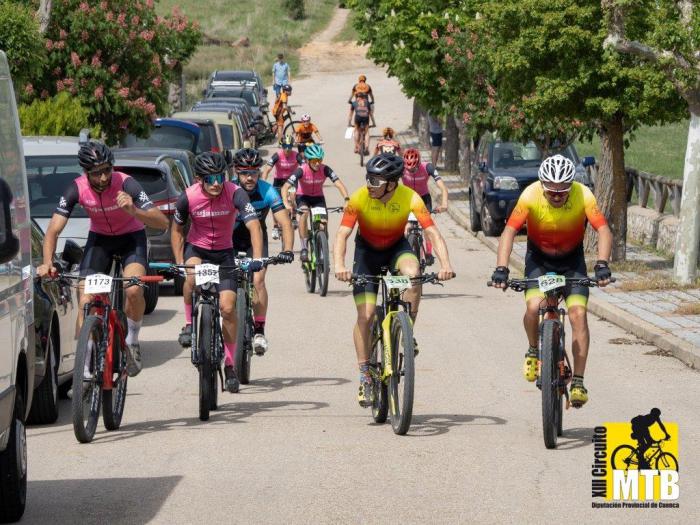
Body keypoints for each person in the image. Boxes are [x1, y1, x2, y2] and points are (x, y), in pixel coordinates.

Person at [37, 140, 169, 377]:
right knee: (85, 296)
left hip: (131, 238)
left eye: (107, 169)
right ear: (85, 172)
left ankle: (132, 340)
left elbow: (162, 222)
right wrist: (48, 263)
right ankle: (84, 367)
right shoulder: (76, 189)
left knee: (133, 289)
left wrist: (134, 211)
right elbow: (53, 231)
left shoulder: (126, 183)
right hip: (100, 240)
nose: (103, 177)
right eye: (96, 173)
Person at [491, 154, 613, 407]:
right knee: (534, 307)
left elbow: (602, 228)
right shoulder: (530, 195)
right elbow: (510, 231)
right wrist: (501, 267)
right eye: (552, 192)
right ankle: (533, 349)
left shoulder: (583, 195)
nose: (557, 196)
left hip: (572, 263)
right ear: (543, 186)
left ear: (571, 185)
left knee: (578, 313)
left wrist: (602, 264)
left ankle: (578, 381)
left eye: (562, 191)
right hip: (539, 262)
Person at [333, 153, 455, 407]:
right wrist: (339, 265)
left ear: (391, 183)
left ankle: (406, 328)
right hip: (366, 254)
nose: (369, 185)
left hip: (396, 249)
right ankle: (365, 374)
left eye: (376, 181)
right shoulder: (359, 198)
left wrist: (446, 264)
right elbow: (343, 234)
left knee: (414, 276)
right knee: (365, 316)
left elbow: (432, 231)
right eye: (369, 179)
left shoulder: (410, 197)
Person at [173, 151, 263, 393]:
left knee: (228, 307)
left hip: (225, 252)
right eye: (209, 179)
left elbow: (254, 224)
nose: (215, 184)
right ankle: (189, 323)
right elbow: (178, 230)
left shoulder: (235, 193)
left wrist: (257, 259)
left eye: (219, 178)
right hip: (197, 249)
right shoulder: (188, 197)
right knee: (192, 277)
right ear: (199, 179)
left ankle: (231, 364)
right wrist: (180, 261)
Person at [232, 148, 295, 355]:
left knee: (258, 280)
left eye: (253, 172)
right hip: (229, 240)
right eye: (244, 172)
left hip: (256, 240)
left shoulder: (268, 190)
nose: (249, 177)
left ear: (259, 172)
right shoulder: (228, 189)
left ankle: (259, 330)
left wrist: (287, 249)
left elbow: (285, 222)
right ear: (235, 172)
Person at [281, 144, 349, 263]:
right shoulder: (301, 170)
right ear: (308, 160)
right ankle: (304, 247)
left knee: (322, 224)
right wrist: (286, 203)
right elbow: (285, 187)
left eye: (320, 160)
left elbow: (339, 183)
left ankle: (322, 247)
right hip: (303, 197)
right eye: (314, 160)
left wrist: (347, 199)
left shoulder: (325, 169)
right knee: (304, 213)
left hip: (318, 198)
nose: (318, 163)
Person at [402, 148, 448, 265]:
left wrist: (444, 204)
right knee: (405, 226)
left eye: (414, 168)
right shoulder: (401, 168)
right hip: (407, 199)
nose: (411, 171)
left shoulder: (427, 167)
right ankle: (404, 250)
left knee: (427, 227)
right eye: (409, 169)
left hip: (423, 199)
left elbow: (443, 188)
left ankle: (428, 252)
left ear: (418, 163)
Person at [261, 134, 304, 240]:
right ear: (282, 146)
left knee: (293, 195)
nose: (288, 149)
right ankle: (275, 227)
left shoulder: (296, 155)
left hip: (291, 181)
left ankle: (293, 217)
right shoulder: (277, 155)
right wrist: (262, 183)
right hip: (279, 181)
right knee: (275, 202)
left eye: (290, 146)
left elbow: (304, 168)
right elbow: (267, 169)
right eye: (285, 146)